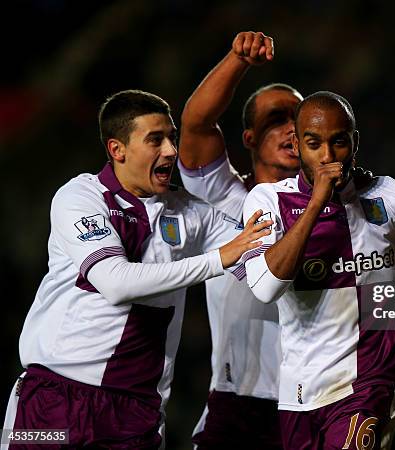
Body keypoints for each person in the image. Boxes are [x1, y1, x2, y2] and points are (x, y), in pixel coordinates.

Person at [1, 90, 271, 450]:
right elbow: (114, 282)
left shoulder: (191, 213)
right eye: (155, 139)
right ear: (118, 149)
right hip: (53, 400)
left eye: (172, 138)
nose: (171, 151)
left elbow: (261, 267)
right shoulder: (79, 197)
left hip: (135, 417)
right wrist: (217, 259)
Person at [241, 91, 395, 450]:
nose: (328, 157)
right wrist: (317, 203)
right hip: (300, 389)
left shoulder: (392, 196)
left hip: (371, 379)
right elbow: (266, 287)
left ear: (355, 141)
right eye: (315, 144)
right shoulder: (267, 201)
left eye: (339, 142)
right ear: (298, 144)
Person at [177, 31, 302, 449]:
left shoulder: (332, 212)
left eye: (298, 121)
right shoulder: (224, 197)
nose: (291, 130)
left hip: (312, 399)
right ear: (248, 138)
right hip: (237, 403)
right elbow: (195, 123)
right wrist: (237, 59)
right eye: (276, 120)